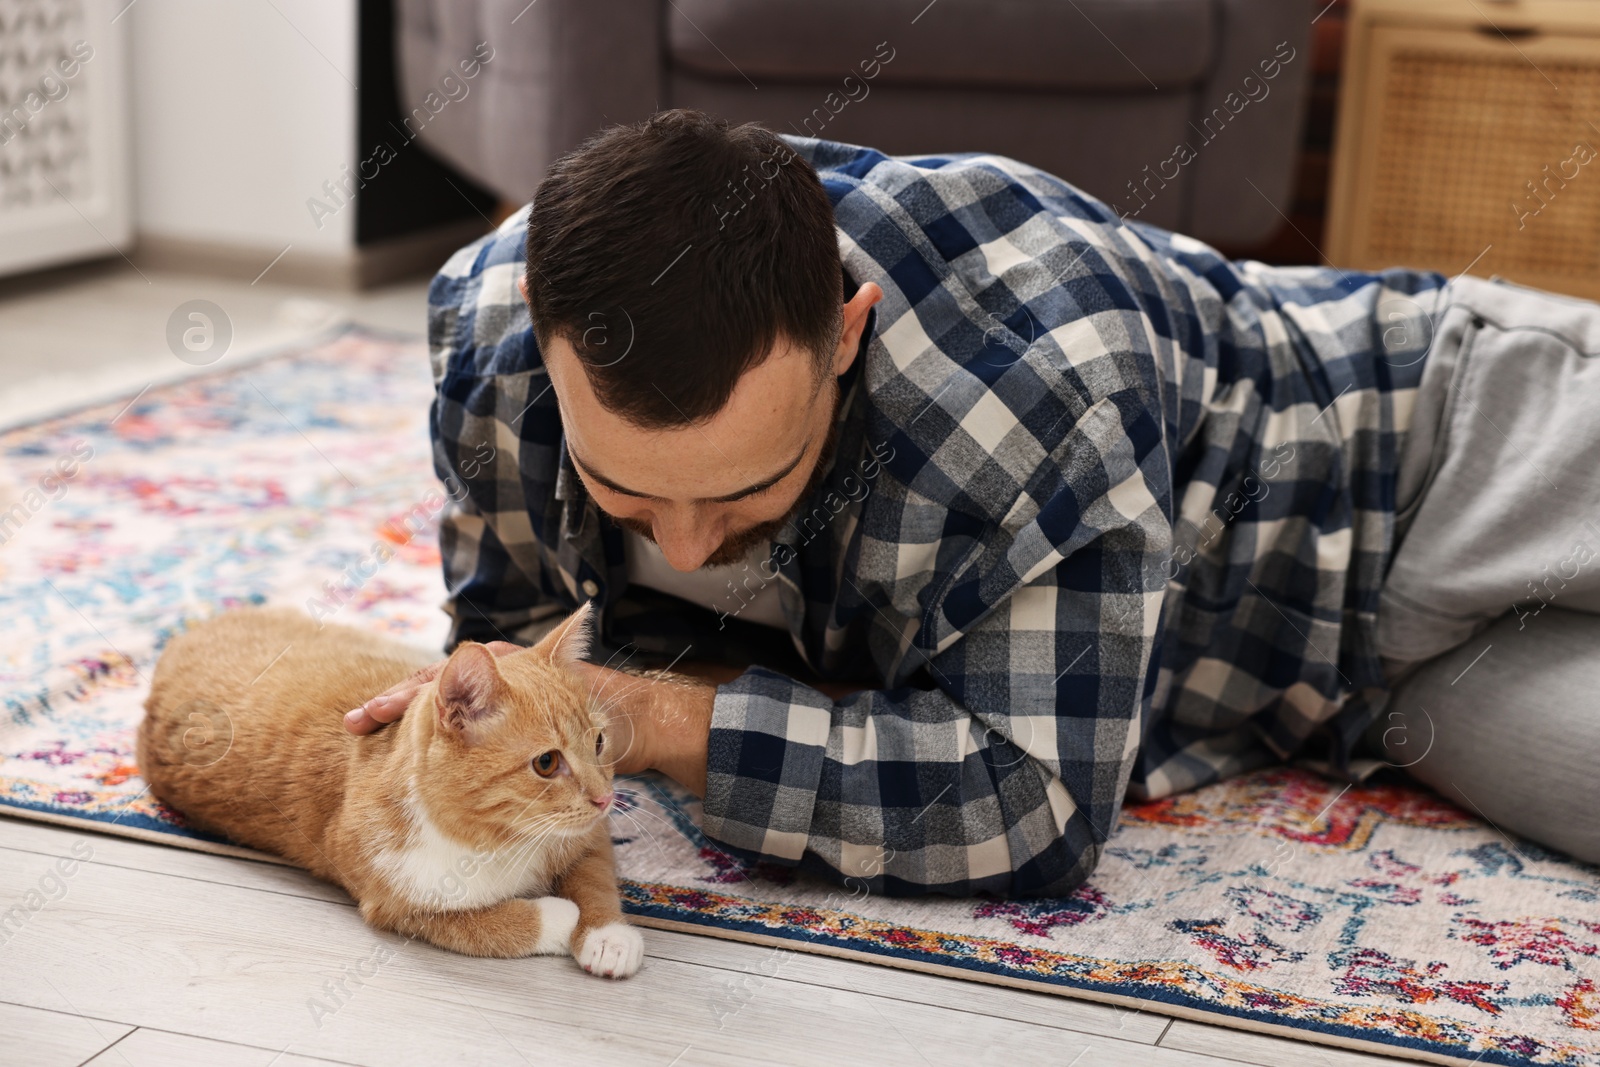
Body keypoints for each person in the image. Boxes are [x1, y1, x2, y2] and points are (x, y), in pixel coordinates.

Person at [343, 108, 1600, 896]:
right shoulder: (495, 343)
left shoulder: (1041, 375)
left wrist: (656, 716)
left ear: (845, 335)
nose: (678, 545)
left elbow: (1029, 809)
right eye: (625, 491)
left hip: (1443, 442)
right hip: (1345, 679)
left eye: (745, 491)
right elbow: (517, 646)